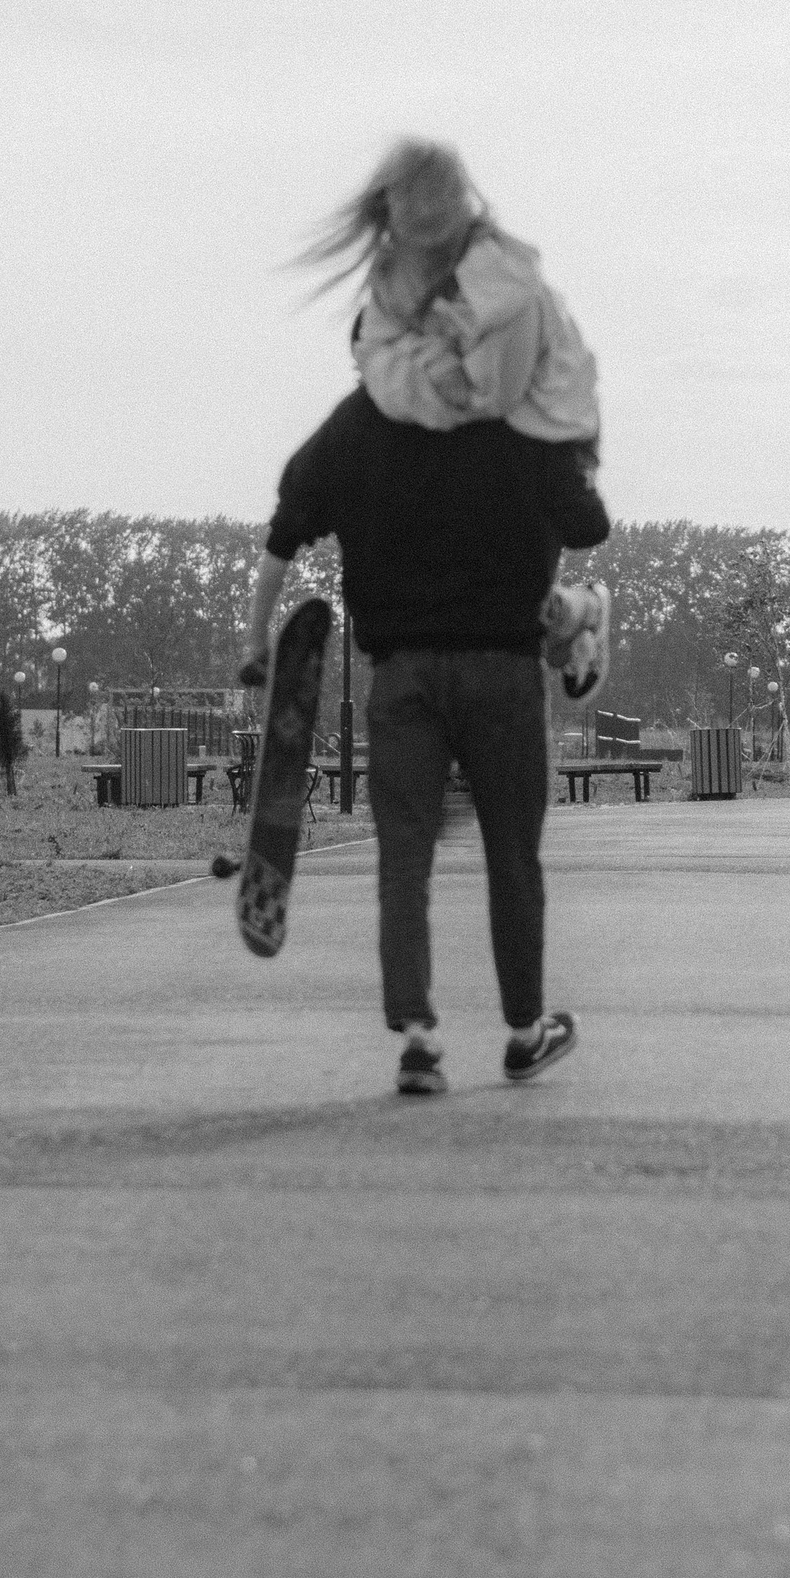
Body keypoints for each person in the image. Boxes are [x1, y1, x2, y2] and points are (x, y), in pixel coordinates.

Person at [240, 150, 612, 1098]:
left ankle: (418, 1041)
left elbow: (285, 525)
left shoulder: (357, 426)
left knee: (402, 858)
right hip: (502, 676)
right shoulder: (522, 422)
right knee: (511, 857)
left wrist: (255, 636)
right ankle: (524, 1030)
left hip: (402, 678)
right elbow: (588, 525)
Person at [315, 139, 611, 699]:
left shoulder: (500, 274)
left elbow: (490, 394)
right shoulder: (402, 275)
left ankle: (581, 610)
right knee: (476, 564)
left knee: (521, 555)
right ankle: (569, 622)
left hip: (549, 426)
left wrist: (430, 370)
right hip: (493, 422)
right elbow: (388, 349)